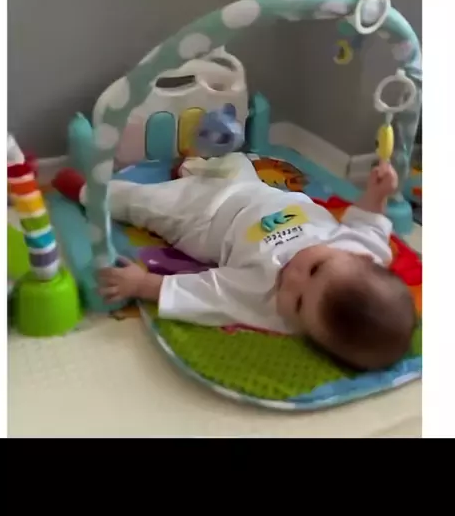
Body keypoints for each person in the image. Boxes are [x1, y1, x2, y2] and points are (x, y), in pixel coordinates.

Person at [53, 153, 417, 371]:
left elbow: (206, 293)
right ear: (358, 257)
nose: (294, 279)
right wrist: (376, 193)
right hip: (255, 190)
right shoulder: (362, 247)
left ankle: (88, 192)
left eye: (299, 302)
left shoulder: (262, 297)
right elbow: (369, 222)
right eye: (316, 269)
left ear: (302, 328)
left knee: (143, 203)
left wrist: (141, 284)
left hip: (203, 219)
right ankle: (193, 167)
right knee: (237, 160)